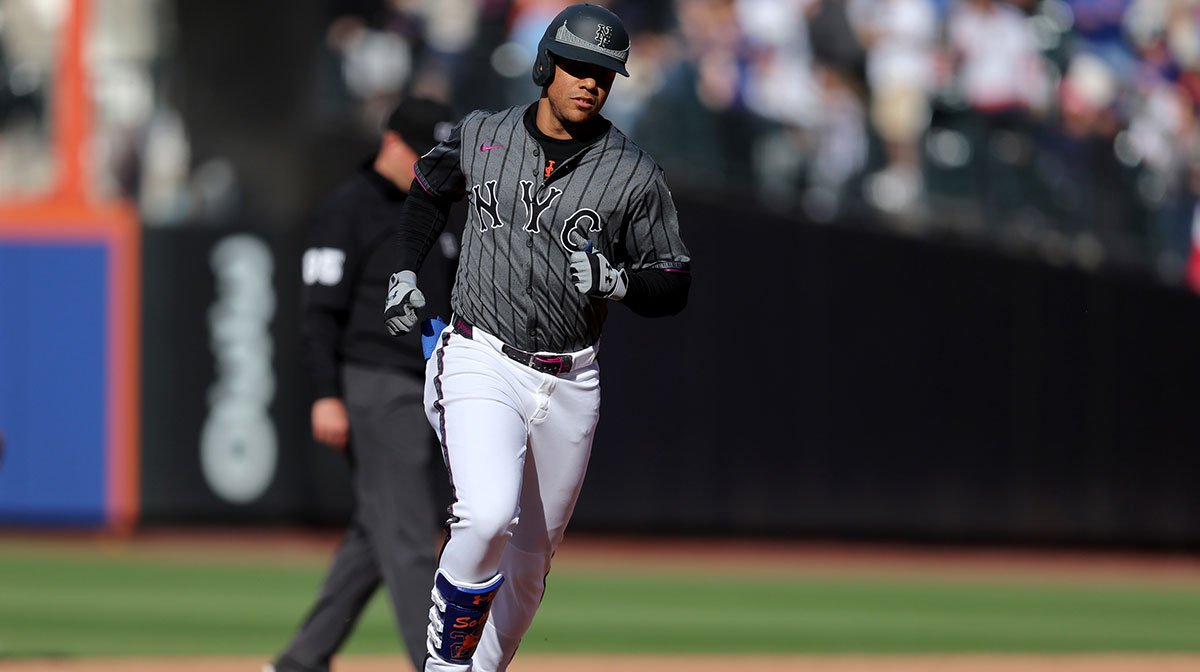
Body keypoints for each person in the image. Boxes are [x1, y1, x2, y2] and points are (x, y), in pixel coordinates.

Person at [383, 4, 692, 671]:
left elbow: (674, 279)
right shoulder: (483, 135)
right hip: (479, 352)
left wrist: (620, 284)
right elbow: (428, 189)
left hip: (571, 377)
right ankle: (443, 667)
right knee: (487, 515)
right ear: (545, 65)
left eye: (604, 74)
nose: (590, 83)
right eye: (578, 67)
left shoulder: (633, 172)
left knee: (528, 571)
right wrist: (406, 268)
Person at [268, 97, 460, 672]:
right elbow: (318, 311)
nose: (436, 168)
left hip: (429, 380)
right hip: (376, 380)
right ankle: (436, 666)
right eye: (428, 155)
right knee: (406, 533)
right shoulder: (347, 209)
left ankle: (301, 661)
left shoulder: (437, 210)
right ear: (394, 142)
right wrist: (326, 392)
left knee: (376, 528)